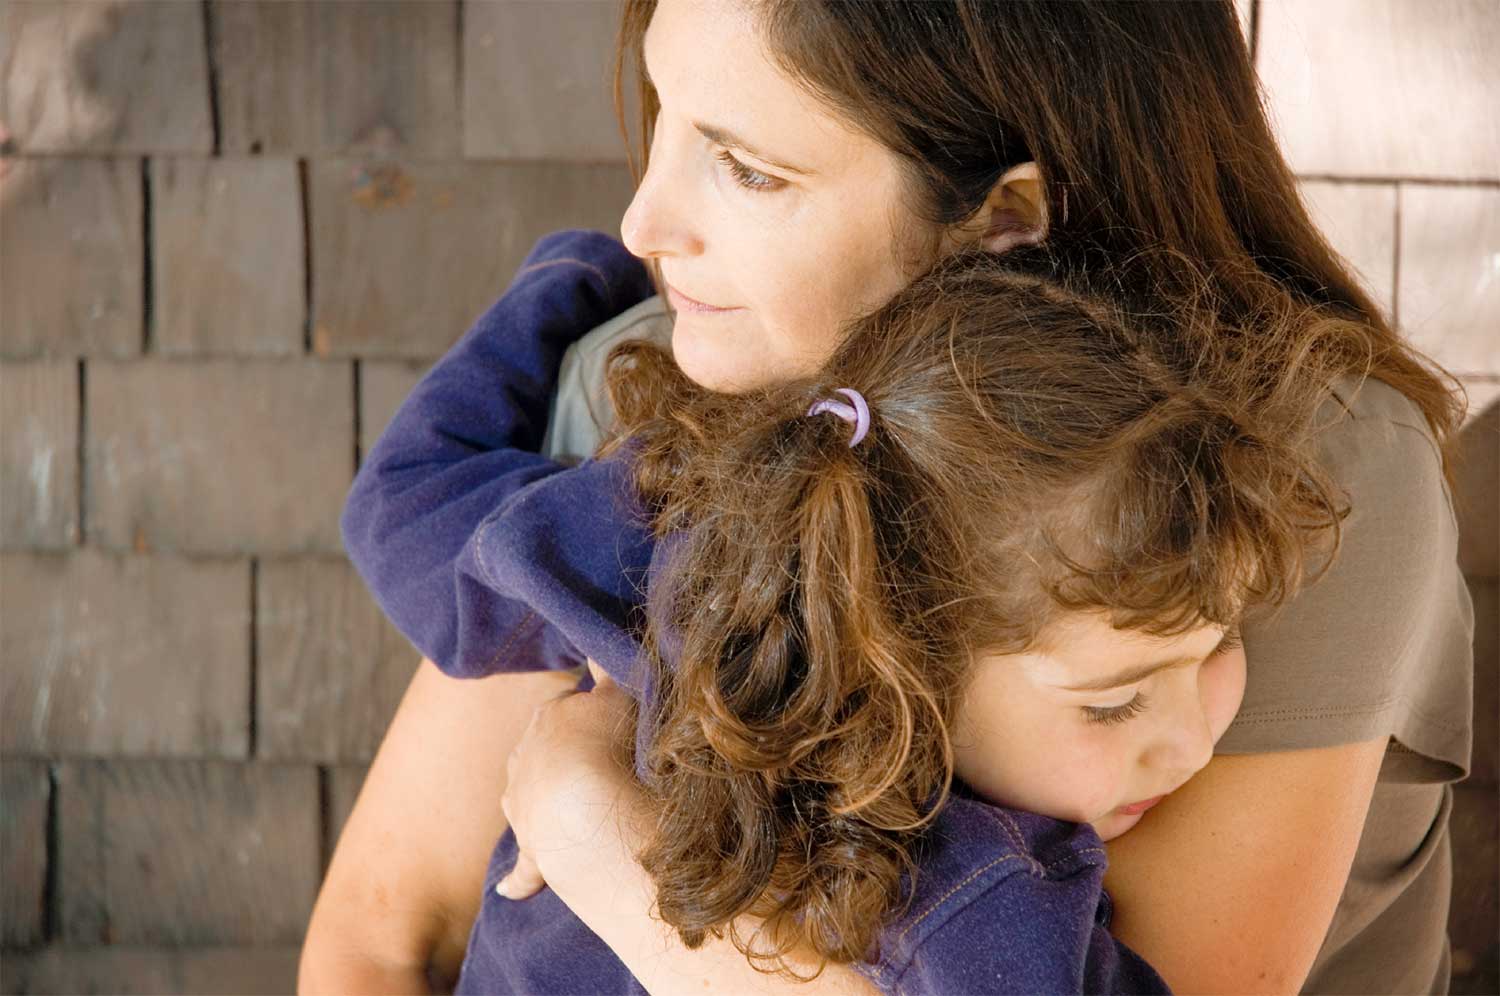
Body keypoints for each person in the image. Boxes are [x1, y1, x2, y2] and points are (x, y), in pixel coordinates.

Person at [299, 2, 1473, 992]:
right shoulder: (676, 373)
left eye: (748, 169)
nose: (643, 224)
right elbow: (385, 934)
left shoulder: (1286, 464)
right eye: (667, 116)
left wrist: (591, 827)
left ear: (1001, 223)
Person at [343, 228, 1352, 992]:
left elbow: (400, 512)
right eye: (1113, 702)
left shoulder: (651, 554)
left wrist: (574, 279)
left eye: (1221, 641)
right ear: (902, 652)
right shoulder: (983, 902)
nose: (1191, 743)